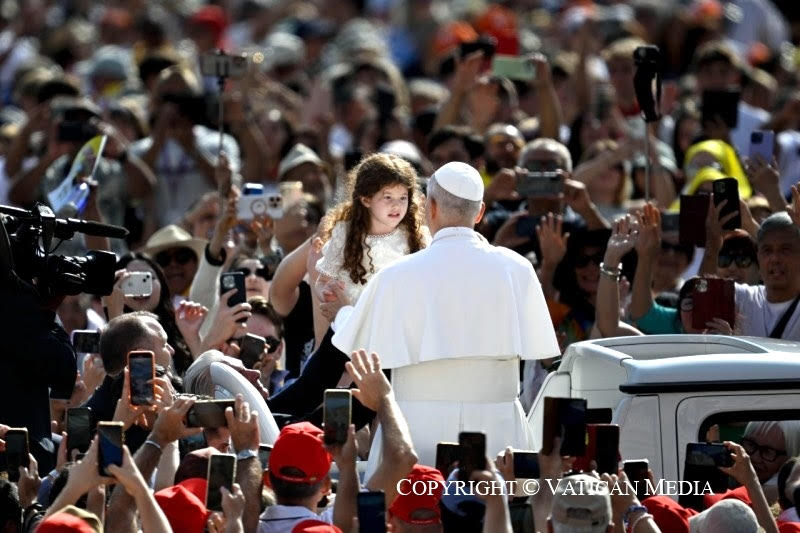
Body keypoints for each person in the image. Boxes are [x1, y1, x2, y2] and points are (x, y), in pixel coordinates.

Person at [331, 161, 559, 468]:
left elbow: (358, 347)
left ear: (430, 207)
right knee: (500, 510)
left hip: (416, 425)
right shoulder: (517, 268)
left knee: (413, 510)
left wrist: (343, 312)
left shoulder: (396, 275)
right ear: (480, 213)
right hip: (498, 425)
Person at [141, 224, 206, 306]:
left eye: (182, 256)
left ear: (196, 262)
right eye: (163, 259)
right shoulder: (142, 306)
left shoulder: (213, 299)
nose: (173, 264)